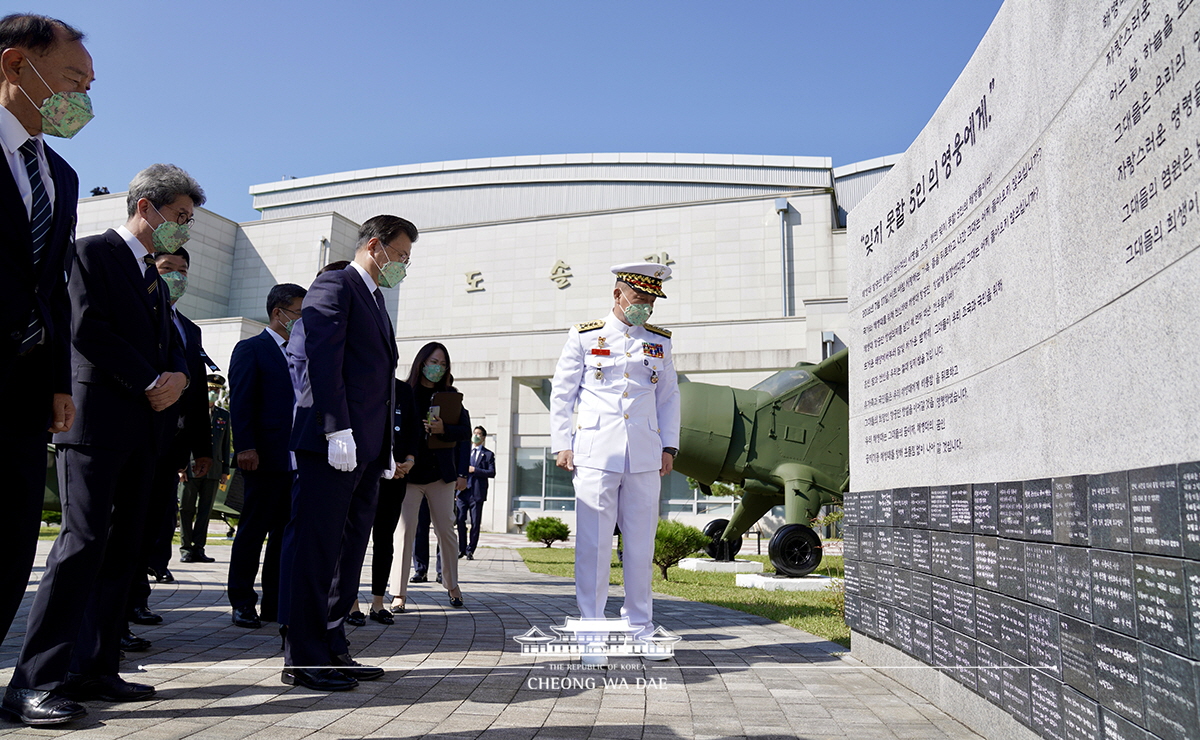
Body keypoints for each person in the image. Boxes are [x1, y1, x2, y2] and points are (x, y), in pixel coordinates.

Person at [3, 164, 201, 725]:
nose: (182, 230)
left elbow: (175, 347)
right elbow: (86, 329)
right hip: (94, 425)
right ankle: (34, 680)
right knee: (82, 543)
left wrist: (180, 377)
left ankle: (94, 665)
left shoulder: (155, 281)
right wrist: (149, 380)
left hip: (144, 429)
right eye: (179, 217)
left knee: (123, 551)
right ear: (147, 207)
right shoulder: (91, 253)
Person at [281, 215, 415, 692]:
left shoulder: (375, 300)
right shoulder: (336, 285)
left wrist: (386, 448)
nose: (402, 265)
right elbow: (322, 359)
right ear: (375, 245)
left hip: (368, 451)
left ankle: (334, 644)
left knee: (348, 551)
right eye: (400, 255)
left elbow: (380, 386)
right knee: (318, 551)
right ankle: (304, 656)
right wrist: (336, 429)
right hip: (332, 445)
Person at [0, 14, 90, 665]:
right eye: (72, 80)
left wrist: (59, 379)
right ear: (15, 67)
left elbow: (53, 286)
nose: (83, 100)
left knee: (10, 548)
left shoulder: (60, 175)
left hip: (26, 392)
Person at [549, 262, 680, 667]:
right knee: (594, 545)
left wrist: (669, 448)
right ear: (618, 295)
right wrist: (562, 443)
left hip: (643, 456)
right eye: (640, 300)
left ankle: (640, 629)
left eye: (651, 302)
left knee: (641, 547)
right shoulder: (585, 336)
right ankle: (592, 633)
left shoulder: (659, 342)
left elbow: (669, 397)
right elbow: (562, 394)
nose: (646, 309)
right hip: (594, 454)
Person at [126, 247, 214, 634]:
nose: (175, 276)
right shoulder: (138, 313)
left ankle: (136, 599)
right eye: (166, 269)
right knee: (128, 524)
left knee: (154, 525)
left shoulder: (189, 329)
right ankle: (120, 611)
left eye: (182, 270)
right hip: (136, 436)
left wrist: (203, 448)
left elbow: (195, 395)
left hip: (170, 446)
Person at [227, 283, 306, 629]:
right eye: (300, 314)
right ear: (279, 313)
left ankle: (275, 602)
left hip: (295, 460)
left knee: (283, 535)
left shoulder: (302, 352)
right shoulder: (252, 349)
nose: (304, 322)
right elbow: (241, 403)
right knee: (253, 530)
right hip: (262, 457)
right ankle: (242, 600)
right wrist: (245, 445)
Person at [388, 342, 471, 613]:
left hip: (440, 475)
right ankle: (398, 593)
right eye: (433, 361)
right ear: (422, 362)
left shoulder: (450, 396)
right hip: (409, 475)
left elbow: (464, 432)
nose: (438, 367)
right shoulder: (404, 392)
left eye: (443, 363)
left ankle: (452, 585)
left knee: (447, 530)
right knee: (404, 532)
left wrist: (443, 428)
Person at [357, 376, 419, 625]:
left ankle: (378, 603)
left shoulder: (403, 390)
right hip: (364, 474)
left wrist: (410, 460)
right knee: (356, 539)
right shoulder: (360, 382)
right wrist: (384, 466)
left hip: (398, 477)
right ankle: (350, 604)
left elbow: (413, 430)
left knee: (385, 540)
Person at [179, 374, 232, 562]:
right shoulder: (193, 410)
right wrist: (181, 466)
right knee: (186, 508)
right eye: (210, 389)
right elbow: (182, 438)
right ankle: (185, 548)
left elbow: (225, 444)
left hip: (214, 469)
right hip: (191, 467)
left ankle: (199, 548)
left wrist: (225, 470)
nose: (213, 393)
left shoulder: (223, 415)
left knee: (205, 510)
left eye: (216, 390)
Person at [458, 426, 495, 559]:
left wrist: (475, 470)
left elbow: (491, 473)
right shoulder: (465, 451)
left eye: (479, 434)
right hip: (462, 492)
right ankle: (461, 548)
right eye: (475, 433)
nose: (476, 436)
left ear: (483, 437)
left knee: (475, 522)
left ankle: (470, 550)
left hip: (477, 493)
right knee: (460, 519)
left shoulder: (488, 454)